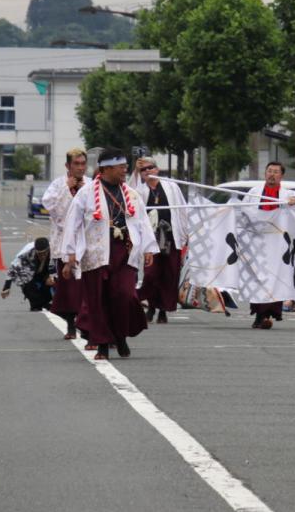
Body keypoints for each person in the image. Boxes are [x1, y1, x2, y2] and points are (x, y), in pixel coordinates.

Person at [61, 147, 158, 360]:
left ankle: (120, 336)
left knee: (125, 295)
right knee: (98, 300)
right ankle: (103, 345)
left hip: (125, 251)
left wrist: (149, 248)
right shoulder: (86, 193)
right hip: (95, 253)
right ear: (106, 169)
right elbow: (72, 224)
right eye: (121, 167)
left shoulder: (131, 194)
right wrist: (70, 254)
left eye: (125, 166)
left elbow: (142, 221)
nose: (125, 171)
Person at [243, 161, 295, 330]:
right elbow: (243, 212)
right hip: (257, 242)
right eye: (269, 171)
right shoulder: (254, 193)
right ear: (265, 173)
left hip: (278, 243)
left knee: (275, 278)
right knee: (258, 278)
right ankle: (259, 314)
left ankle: (265, 315)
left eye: (276, 172)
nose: (272, 174)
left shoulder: (288, 194)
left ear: (281, 176)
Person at [131, 156, 189, 324]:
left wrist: (185, 234)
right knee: (151, 274)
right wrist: (135, 171)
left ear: (157, 169)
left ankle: (163, 310)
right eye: (143, 169)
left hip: (171, 236)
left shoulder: (171, 186)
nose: (147, 171)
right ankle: (151, 306)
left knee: (169, 274)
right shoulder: (140, 190)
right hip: (151, 239)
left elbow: (182, 210)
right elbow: (129, 195)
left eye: (150, 168)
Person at [41, 148, 88, 339]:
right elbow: (50, 207)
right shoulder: (58, 184)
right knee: (68, 288)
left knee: (85, 286)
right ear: (68, 165)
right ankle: (70, 324)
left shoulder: (91, 184)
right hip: (64, 243)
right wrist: (66, 189)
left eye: (83, 164)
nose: (80, 168)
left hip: (86, 242)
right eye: (76, 164)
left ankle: (86, 324)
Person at [1, 238, 55, 311]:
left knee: (52, 281)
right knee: (26, 281)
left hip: (46, 268)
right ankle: (37, 303)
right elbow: (13, 267)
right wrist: (6, 286)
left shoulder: (54, 250)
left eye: (44, 253)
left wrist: (52, 276)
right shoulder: (27, 253)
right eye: (39, 253)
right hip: (30, 269)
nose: (42, 256)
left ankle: (45, 301)